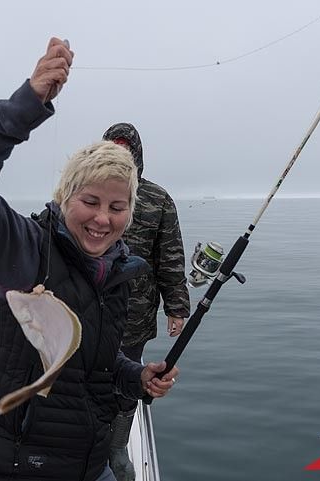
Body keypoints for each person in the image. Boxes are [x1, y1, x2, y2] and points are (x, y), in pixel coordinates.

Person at [0, 37, 179, 481]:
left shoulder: (118, 274)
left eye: (117, 207)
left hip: (84, 463)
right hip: (1, 466)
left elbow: (93, 363)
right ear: (65, 197)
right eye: (90, 201)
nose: (103, 219)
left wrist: (136, 377)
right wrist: (27, 104)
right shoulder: (25, 247)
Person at [101, 124, 191, 480]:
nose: (121, 155)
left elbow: (170, 258)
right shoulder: (87, 191)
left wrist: (177, 307)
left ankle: (117, 444)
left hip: (135, 314)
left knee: (130, 378)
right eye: (114, 148)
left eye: (127, 149)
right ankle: (88, 438)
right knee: (87, 373)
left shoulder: (158, 199)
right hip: (89, 309)